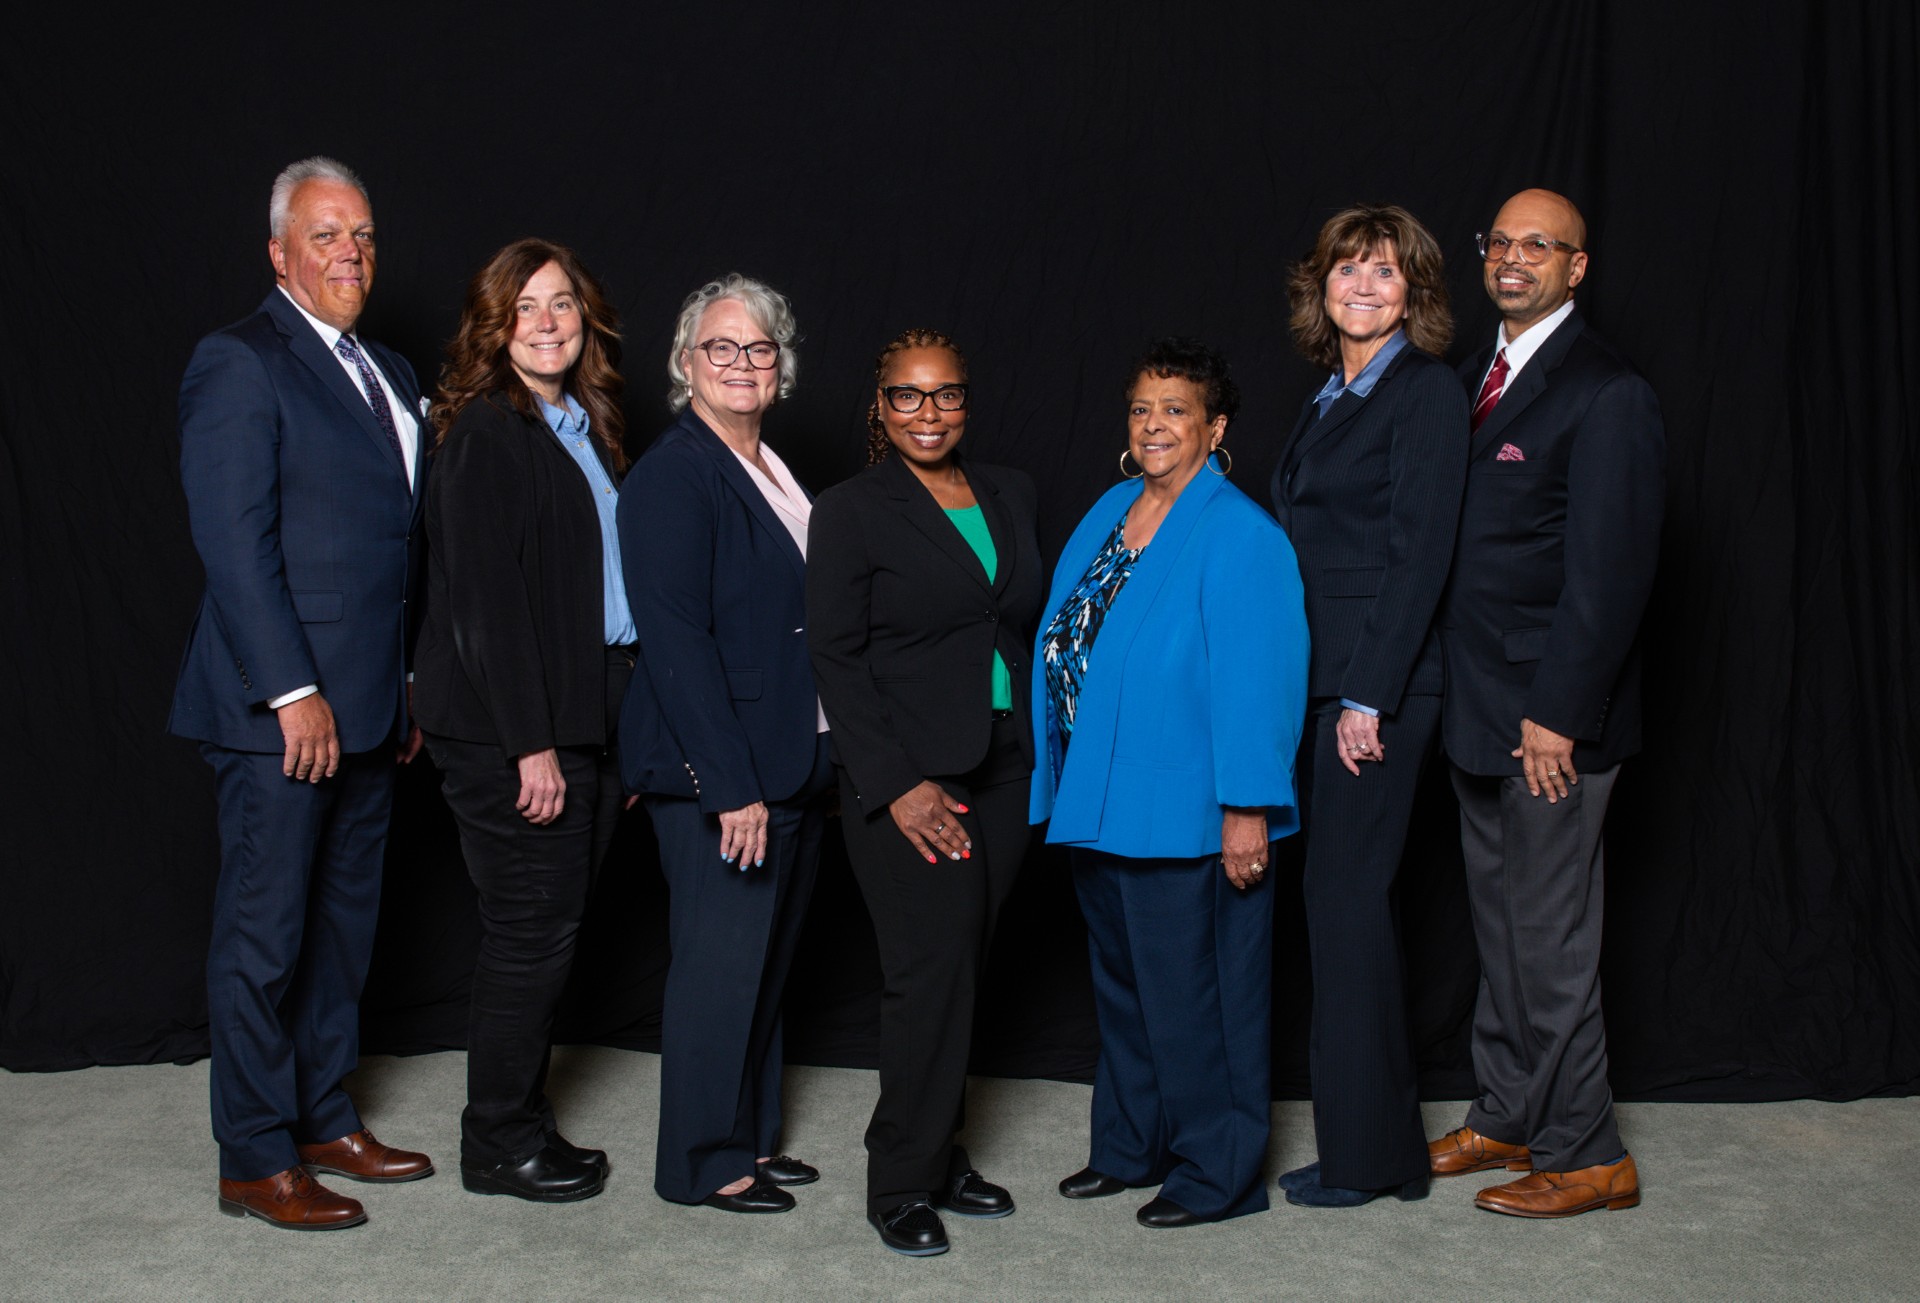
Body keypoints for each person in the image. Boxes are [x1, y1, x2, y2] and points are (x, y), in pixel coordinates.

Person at [169, 157, 432, 1230]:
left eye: (362, 235)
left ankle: (325, 1118)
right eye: (326, 236)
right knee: (265, 940)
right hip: (279, 714)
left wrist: (405, 685)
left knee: (340, 938)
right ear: (280, 252)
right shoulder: (238, 362)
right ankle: (253, 1154)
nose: (350, 254)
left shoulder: (394, 372)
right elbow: (234, 545)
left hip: (373, 709)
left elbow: (398, 547)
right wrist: (291, 690)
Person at [1032, 339, 1309, 1228]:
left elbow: (1256, 682)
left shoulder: (1241, 534)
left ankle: (1214, 1171)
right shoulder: (1111, 509)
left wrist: (1247, 811)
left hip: (1193, 809)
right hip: (1100, 797)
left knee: (1201, 1000)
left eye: (1176, 410)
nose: (1155, 425)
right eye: (1142, 409)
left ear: (1215, 427)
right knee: (1124, 986)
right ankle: (1128, 1146)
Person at [1428, 188, 1664, 1218]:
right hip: (1476, 706)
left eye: (1540, 244)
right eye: (1501, 241)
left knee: (1551, 935)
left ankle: (1588, 1148)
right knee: (1502, 927)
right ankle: (1512, 1110)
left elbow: (1610, 575)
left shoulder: (1608, 392)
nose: (1514, 257)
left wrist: (1559, 713)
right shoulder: (1475, 378)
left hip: (1549, 724)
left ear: (1577, 267)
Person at [807, 329, 1044, 1256]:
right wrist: (896, 782)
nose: (929, 412)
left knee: (965, 965)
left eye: (945, 395)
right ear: (881, 407)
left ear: (966, 403)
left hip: (1005, 766)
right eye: (907, 396)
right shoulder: (851, 509)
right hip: (912, 776)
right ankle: (899, 1176)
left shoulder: (1009, 491)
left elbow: (1015, 618)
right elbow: (834, 652)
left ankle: (938, 1150)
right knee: (927, 973)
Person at [412, 239, 632, 1203]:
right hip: (514, 732)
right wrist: (529, 745)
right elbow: (486, 604)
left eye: (563, 306)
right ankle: (497, 1141)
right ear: (493, 325)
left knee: (554, 926)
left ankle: (523, 1119)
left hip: (580, 717)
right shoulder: (488, 431)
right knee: (529, 931)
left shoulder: (582, 427)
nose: (547, 323)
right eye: (525, 307)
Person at [1268, 205, 1468, 1208]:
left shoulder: (1425, 394)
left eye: (1385, 273)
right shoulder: (1326, 399)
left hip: (1372, 692)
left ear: (1413, 294)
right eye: (1349, 268)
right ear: (1322, 284)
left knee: (1346, 911)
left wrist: (1368, 696)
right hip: (1322, 681)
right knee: (1344, 915)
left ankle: (1366, 1161)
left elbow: (1420, 553)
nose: (1363, 286)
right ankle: (1379, 1147)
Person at [617, 274, 828, 1215]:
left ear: (779, 365)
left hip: (794, 756)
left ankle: (746, 1135)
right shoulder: (674, 474)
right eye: (721, 348)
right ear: (687, 364)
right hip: (724, 771)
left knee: (765, 965)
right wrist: (729, 784)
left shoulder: (772, 467)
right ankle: (701, 1160)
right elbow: (674, 639)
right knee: (717, 967)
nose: (742, 365)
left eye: (759, 348)